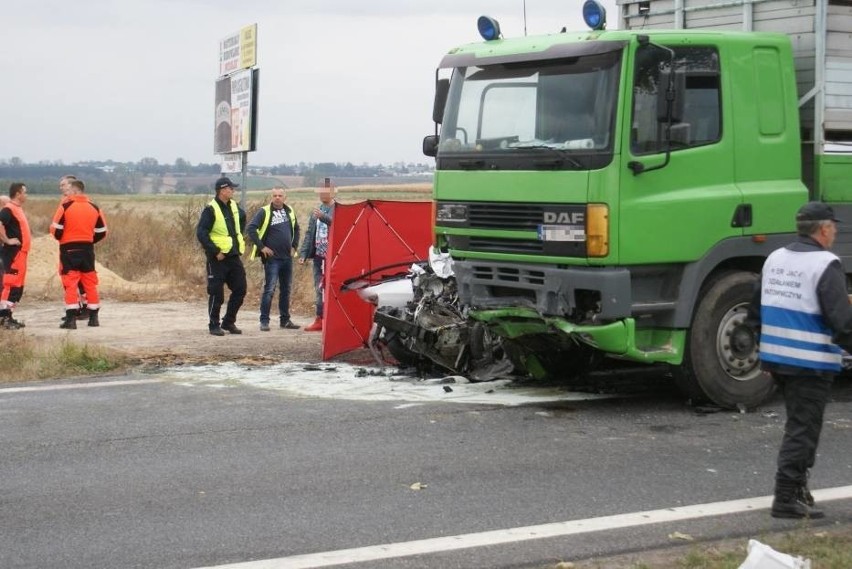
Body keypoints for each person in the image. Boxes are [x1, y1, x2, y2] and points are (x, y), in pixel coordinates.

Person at [748, 201, 852, 519]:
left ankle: (797, 491)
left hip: (777, 357)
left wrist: (764, 349)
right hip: (810, 360)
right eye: (833, 227)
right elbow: (841, 321)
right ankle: (786, 496)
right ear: (824, 229)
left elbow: (755, 309)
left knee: (799, 424)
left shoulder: (775, 258)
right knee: (803, 428)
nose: (835, 232)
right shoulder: (825, 263)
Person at [50, 179, 108, 329]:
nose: (67, 193)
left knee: (70, 283)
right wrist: (89, 240)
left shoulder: (65, 206)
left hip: (68, 249)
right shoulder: (94, 207)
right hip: (88, 249)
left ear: (75, 191)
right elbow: (102, 231)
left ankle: (71, 320)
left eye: (69, 190)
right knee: (90, 283)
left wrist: (64, 239)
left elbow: (55, 229)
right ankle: (94, 318)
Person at [196, 176, 247, 336]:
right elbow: (201, 233)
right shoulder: (210, 209)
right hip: (217, 258)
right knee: (216, 293)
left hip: (233, 256)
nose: (233, 191)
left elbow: (242, 220)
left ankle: (228, 322)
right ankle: (214, 325)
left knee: (240, 289)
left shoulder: (234, 207)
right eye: (231, 188)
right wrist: (215, 251)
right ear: (222, 190)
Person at [247, 187, 300, 331]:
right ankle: (264, 321)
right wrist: (261, 247)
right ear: (271, 197)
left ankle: (285, 320)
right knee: (269, 289)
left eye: (280, 195)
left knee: (286, 290)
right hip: (272, 259)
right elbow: (251, 228)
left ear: (285, 197)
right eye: (275, 195)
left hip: (287, 258)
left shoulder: (289, 211)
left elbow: (296, 228)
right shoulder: (264, 211)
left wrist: (294, 246)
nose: (277, 198)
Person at [298, 178, 336, 332]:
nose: (322, 193)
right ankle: (320, 319)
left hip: (333, 257)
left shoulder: (338, 208)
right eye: (320, 190)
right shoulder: (316, 211)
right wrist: (304, 253)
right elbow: (309, 233)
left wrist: (324, 217)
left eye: (325, 190)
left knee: (331, 288)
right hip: (319, 257)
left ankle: (332, 320)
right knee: (319, 288)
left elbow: (341, 226)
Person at [57, 175, 89, 323]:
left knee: (77, 279)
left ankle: (82, 308)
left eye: (64, 185)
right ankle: (75, 308)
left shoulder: (72, 204)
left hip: (73, 246)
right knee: (70, 279)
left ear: (72, 187)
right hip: (68, 245)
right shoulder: (64, 202)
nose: (61, 188)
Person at [0, 184, 30, 329]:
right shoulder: (9, 209)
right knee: (11, 284)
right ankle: (4, 318)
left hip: (21, 253)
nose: (27, 195)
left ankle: (9, 316)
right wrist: (7, 240)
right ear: (18, 194)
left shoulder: (17, 209)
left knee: (17, 287)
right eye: (25, 192)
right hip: (13, 253)